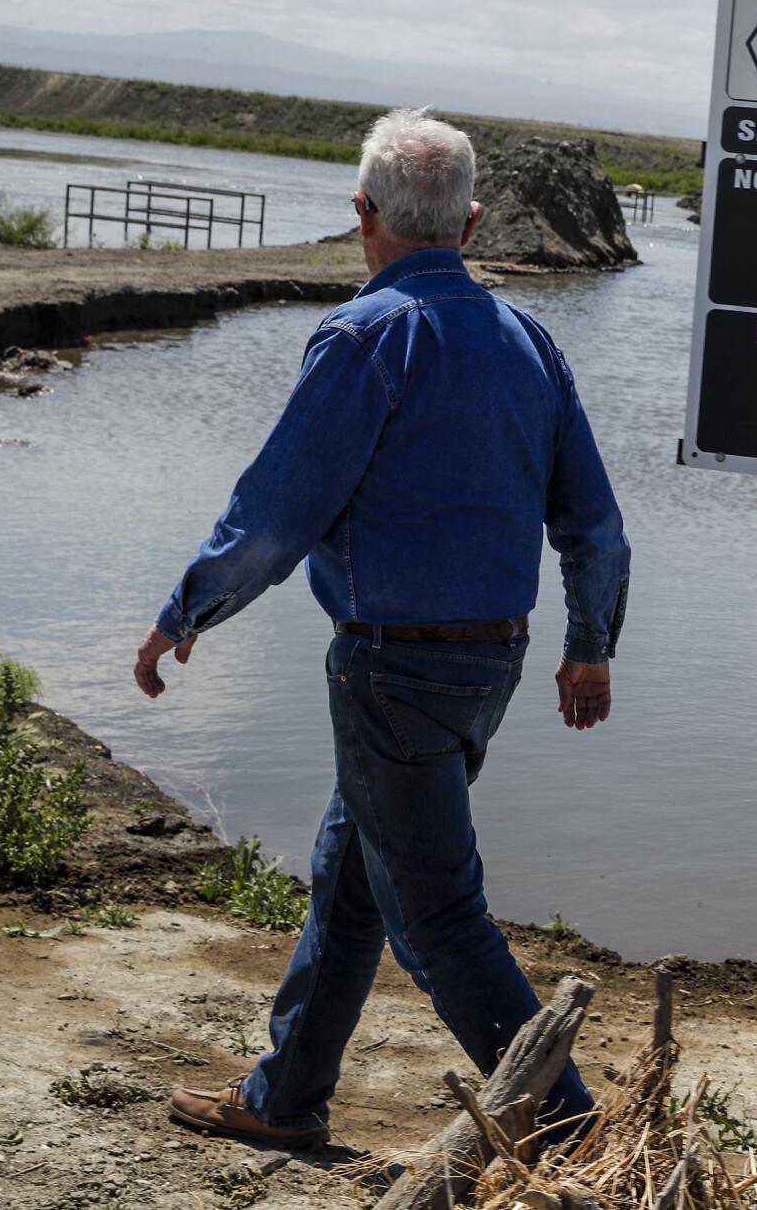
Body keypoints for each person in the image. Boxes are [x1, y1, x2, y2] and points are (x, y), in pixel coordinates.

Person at [136, 107, 630, 1150]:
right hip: (492, 660)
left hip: (391, 672)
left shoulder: (369, 334)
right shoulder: (527, 339)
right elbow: (592, 521)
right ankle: (282, 1098)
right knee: (352, 874)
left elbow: (278, 510)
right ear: (473, 219)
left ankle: (578, 1141)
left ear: (363, 214)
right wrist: (589, 644)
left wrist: (188, 610)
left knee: (438, 917)